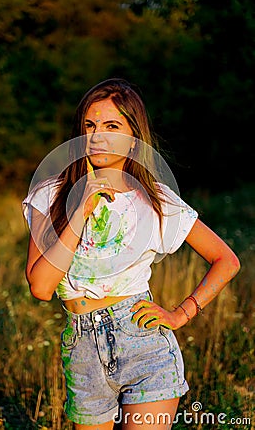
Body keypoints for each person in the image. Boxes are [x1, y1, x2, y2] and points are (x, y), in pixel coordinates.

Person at [22, 78, 240, 430]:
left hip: (144, 343)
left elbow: (227, 260)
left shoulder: (155, 200)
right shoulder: (50, 196)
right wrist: (81, 211)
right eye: (89, 126)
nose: (97, 136)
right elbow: (42, 287)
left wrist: (182, 314)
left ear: (134, 136)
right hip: (82, 350)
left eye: (112, 126)